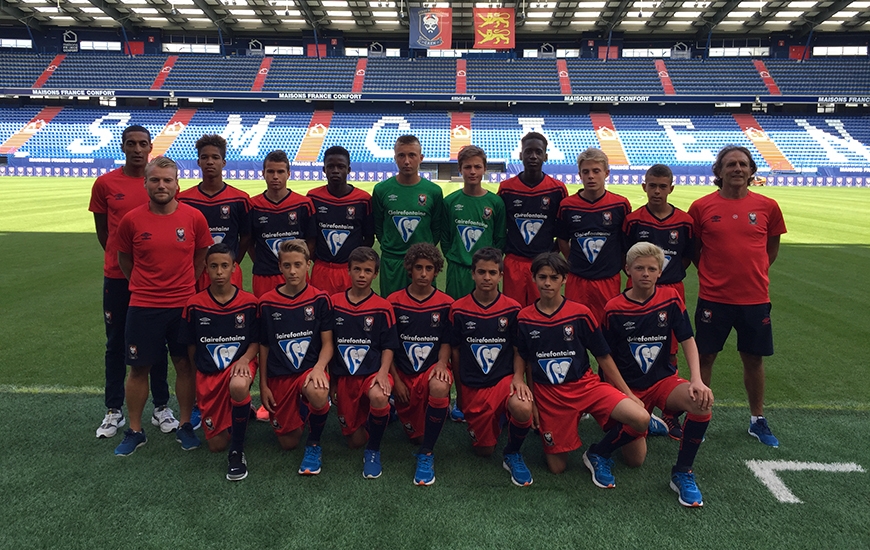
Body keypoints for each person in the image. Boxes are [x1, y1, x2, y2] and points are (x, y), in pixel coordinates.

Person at [514, 252, 649, 489]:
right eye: (542, 277)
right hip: (551, 395)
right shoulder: (525, 317)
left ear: (564, 279)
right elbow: (525, 360)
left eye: (554, 277)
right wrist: (533, 400)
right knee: (557, 468)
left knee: (640, 421)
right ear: (533, 278)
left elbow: (603, 356)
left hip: (586, 386)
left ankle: (598, 452)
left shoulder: (580, 313)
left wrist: (627, 393)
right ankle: (571, 422)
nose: (547, 283)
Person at [113, 157, 213, 456]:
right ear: (145, 183)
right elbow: (125, 260)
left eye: (167, 180)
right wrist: (146, 286)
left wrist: (182, 286)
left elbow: (201, 256)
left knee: (184, 365)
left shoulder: (194, 218)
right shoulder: (132, 220)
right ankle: (135, 429)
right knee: (138, 369)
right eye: (155, 179)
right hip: (143, 306)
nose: (161, 185)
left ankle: (184, 424)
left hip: (183, 306)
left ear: (177, 184)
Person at [688, 145, 786, 447]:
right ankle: (699, 417)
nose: (737, 169)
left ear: (752, 170)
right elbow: (694, 251)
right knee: (705, 356)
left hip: (755, 298)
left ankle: (757, 419)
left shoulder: (768, 206)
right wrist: (715, 275)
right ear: (719, 171)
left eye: (743, 164)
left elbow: (771, 248)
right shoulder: (701, 207)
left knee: (753, 359)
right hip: (714, 297)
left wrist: (753, 273)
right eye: (730, 164)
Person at [602, 243, 713, 507]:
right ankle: (644, 420)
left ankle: (682, 472)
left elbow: (687, 339)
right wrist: (624, 395)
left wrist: (697, 380)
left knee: (700, 401)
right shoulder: (613, 308)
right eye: (639, 268)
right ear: (627, 269)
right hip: (628, 388)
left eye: (652, 268)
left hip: (662, 381)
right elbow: (604, 359)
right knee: (635, 460)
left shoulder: (671, 298)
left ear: (660, 272)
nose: (645, 273)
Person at [89, 125, 174, 439]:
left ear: (151, 147)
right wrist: (122, 264)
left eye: (143, 144)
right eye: (131, 144)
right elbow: (105, 234)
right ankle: (114, 410)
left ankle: (161, 407)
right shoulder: (105, 183)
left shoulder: (159, 182)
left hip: (156, 282)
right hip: (118, 277)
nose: (137, 149)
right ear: (123, 146)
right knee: (115, 344)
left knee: (159, 344)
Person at [448, 247, 534, 486]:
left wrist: (518, 379)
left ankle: (513, 453)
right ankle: (497, 417)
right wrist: (460, 393)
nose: (487, 277)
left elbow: (519, 350)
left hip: (503, 381)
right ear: (472, 274)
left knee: (523, 407)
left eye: (493, 272)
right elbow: (455, 352)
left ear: (501, 276)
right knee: (484, 450)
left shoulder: (513, 309)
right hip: (473, 385)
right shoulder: (459, 309)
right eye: (482, 272)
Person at [623, 164, 696, 439]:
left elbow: (686, 257)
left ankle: (669, 413)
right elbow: (625, 257)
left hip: (672, 290)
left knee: (671, 349)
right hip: (638, 290)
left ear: (671, 188)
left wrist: (665, 280)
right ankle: (628, 402)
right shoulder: (633, 220)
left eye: (662, 186)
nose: (656, 191)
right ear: (644, 186)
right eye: (652, 185)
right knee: (633, 345)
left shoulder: (685, 222)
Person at [180, 243, 259, 481]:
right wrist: (200, 373)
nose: (220, 272)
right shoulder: (194, 305)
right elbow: (192, 346)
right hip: (209, 374)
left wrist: (245, 359)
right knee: (215, 444)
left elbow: (256, 342)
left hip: (240, 366)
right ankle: (243, 410)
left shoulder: (249, 303)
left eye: (225, 266)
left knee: (238, 385)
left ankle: (238, 451)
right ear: (206, 269)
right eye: (213, 266)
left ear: (235, 268)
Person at [258, 240, 333, 475]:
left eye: (298, 264)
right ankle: (300, 408)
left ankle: (314, 444)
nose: (293, 271)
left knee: (318, 392)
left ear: (308, 265)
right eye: (287, 265)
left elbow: (328, 343)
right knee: (288, 444)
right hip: (279, 376)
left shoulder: (320, 299)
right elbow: (264, 346)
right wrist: (263, 385)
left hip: (308, 372)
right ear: (279, 266)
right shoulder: (267, 302)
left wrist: (320, 368)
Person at [387, 244, 454, 485]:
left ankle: (426, 453)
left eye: (429, 268)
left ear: (437, 271)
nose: (423, 274)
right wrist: (395, 380)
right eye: (418, 268)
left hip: (429, 371)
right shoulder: (393, 303)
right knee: (411, 434)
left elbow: (446, 339)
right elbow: (389, 346)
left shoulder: (446, 304)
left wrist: (442, 364)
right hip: (402, 374)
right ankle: (395, 405)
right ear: (409, 269)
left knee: (439, 385)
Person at [330, 247, 400, 479]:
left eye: (367, 270)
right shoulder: (333, 303)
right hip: (345, 377)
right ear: (348, 270)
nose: (362, 275)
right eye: (357, 269)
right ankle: (381, 417)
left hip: (372, 373)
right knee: (354, 441)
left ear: (375, 274)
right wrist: (331, 382)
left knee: (379, 396)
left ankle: (374, 450)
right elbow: (327, 345)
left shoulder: (383, 306)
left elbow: (388, 345)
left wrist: (382, 373)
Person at [557, 147, 631, 324]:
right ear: (579, 174)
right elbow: (562, 239)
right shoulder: (567, 205)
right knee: (574, 331)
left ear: (606, 173)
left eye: (596, 171)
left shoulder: (620, 205)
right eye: (586, 171)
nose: (591, 176)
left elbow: (624, 242)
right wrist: (573, 261)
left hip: (608, 279)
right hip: (577, 279)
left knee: (607, 331)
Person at [497, 132, 567, 307]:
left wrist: (551, 254)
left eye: (538, 152)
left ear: (545, 156)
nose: (533, 156)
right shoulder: (507, 189)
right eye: (528, 151)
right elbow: (500, 225)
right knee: (513, 310)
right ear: (521, 155)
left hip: (543, 263)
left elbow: (563, 228)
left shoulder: (557, 189)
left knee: (543, 310)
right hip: (514, 263)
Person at [372, 135, 444, 297]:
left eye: (412, 155)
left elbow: (436, 229)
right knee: (391, 309)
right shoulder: (381, 189)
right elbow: (378, 226)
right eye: (401, 155)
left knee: (423, 311)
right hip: (392, 261)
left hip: (423, 262)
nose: (406, 161)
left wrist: (423, 250)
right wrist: (390, 245)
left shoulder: (433, 191)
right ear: (395, 158)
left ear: (421, 158)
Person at [177, 134, 251, 293]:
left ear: (223, 162)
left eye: (215, 157)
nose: (210, 161)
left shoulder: (240, 199)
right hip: (195, 272)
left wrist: (232, 261)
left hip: (228, 271)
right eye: (205, 157)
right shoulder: (183, 199)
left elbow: (246, 236)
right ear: (198, 162)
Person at [306, 145, 375, 295]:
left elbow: (368, 238)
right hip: (322, 269)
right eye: (330, 166)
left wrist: (356, 263)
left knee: (349, 313)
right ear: (324, 169)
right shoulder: (313, 197)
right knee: (322, 313)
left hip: (350, 270)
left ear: (349, 169)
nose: (335, 170)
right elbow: (310, 236)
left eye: (341, 166)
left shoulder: (363, 200)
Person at [248, 149, 316, 298]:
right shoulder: (253, 205)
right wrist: (264, 262)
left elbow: (311, 240)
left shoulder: (304, 204)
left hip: (296, 274)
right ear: (263, 173)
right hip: (264, 276)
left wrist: (299, 264)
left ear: (288, 174)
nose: (275, 177)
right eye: (270, 171)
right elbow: (249, 242)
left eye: (280, 171)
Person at [441, 145, 506, 300]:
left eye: (477, 167)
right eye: (467, 167)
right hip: (458, 270)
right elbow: (445, 238)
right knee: (456, 315)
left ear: (484, 169)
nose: (472, 172)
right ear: (460, 169)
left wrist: (489, 265)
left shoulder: (495, 202)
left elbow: (500, 239)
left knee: (486, 314)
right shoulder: (450, 202)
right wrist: (455, 257)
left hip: (486, 271)